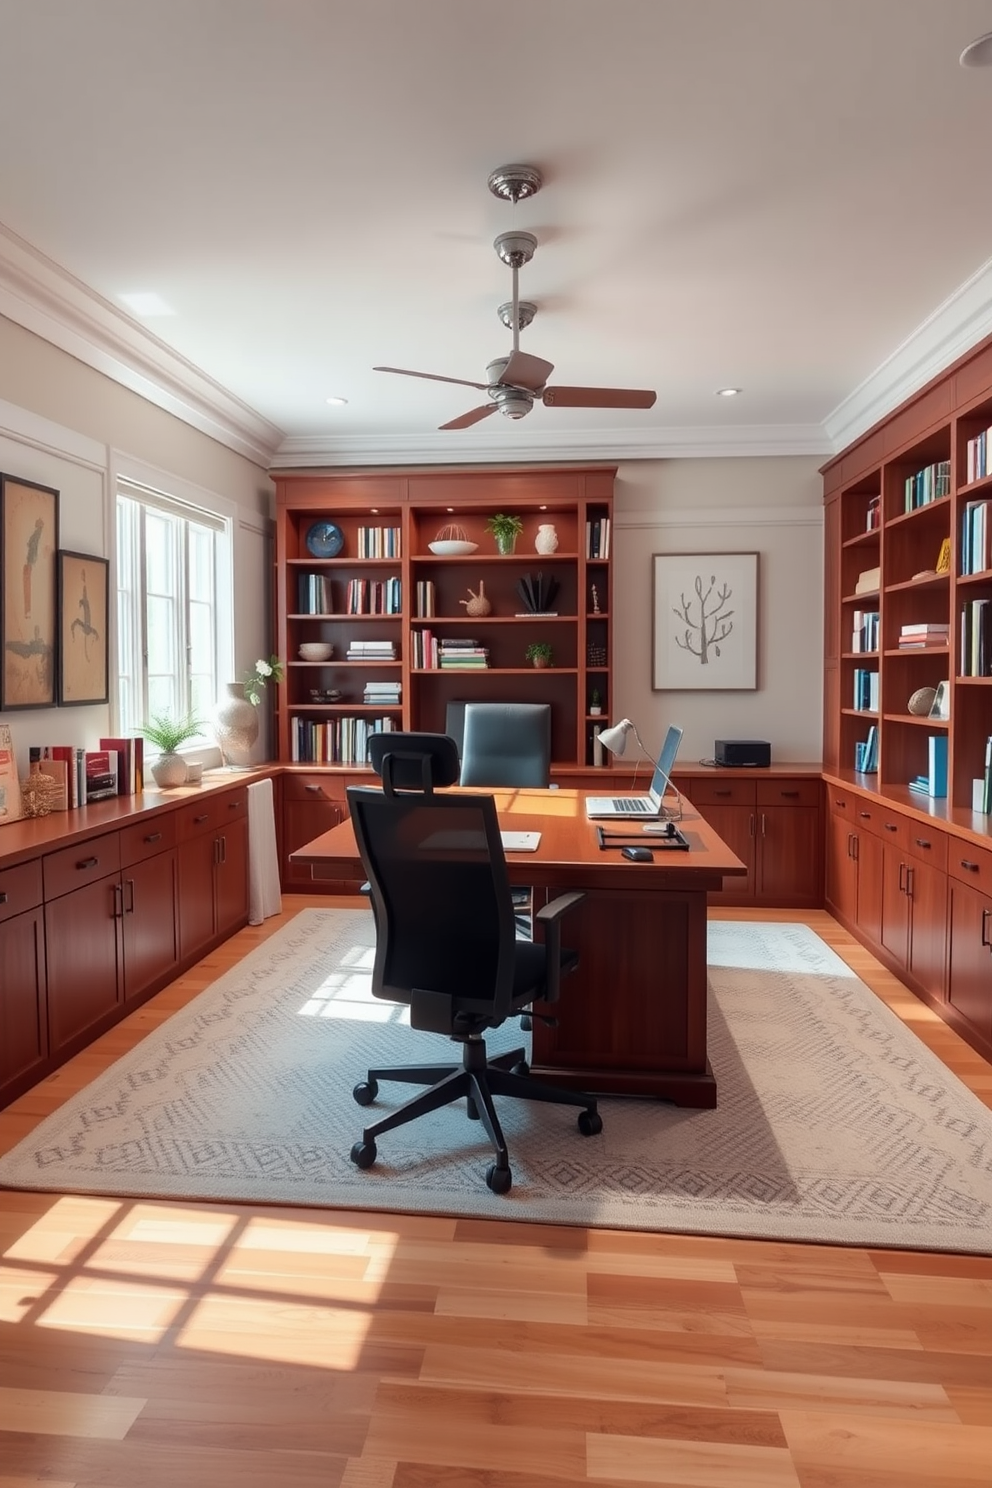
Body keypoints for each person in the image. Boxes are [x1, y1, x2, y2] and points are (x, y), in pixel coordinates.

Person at [23, 516, 44, 618]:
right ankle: (27, 612)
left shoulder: (37, 534)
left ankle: (28, 612)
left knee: (28, 583)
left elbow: (32, 545)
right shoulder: (37, 534)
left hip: (31, 561)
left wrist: (32, 560)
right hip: (31, 561)